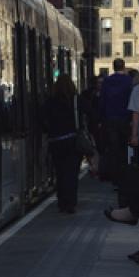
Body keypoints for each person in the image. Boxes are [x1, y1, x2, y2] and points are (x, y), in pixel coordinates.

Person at [43, 77, 83, 213]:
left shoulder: (50, 101)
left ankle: (62, 202)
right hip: (72, 140)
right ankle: (70, 202)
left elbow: (43, 120)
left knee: (60, 173)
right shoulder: (76, 100)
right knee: (72, 173)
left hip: (56, 141)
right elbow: (85, 117)